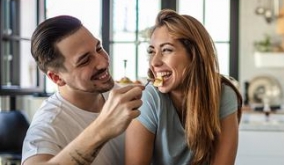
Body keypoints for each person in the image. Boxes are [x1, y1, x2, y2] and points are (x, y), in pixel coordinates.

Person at [125, 9, 243, 165]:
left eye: (166, 50)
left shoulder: (222, 94)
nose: (154, 62)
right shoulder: (150, 97)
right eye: (151, 51)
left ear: (194, 55)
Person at [22, 15, 144, 165]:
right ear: (56, 78)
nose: (102, 62)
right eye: (85, 60)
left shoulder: (121, 94)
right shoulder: (48, 125)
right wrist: (103, 128)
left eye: (98, 48)